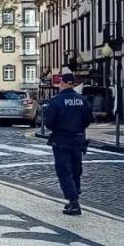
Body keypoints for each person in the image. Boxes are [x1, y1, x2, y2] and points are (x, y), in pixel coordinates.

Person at [41, 68, 94, 216]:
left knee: (64, 171)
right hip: (78, 139)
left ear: (63, 83)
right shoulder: (82, 100)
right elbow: (89, 119)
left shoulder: (56, 101)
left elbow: (49, 123)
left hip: (61, 140)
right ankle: (75, 195)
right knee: (76, 170)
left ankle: (73, 201)